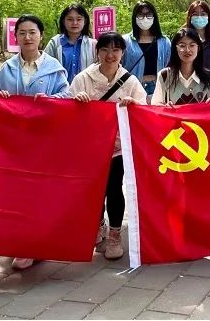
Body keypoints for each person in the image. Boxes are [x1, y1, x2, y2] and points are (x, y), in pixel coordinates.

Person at [0, 14, 69, 270]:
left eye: (32, 32)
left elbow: (66, 96)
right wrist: (0, 97)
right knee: (16, 193)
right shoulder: (6, 68)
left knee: (40, 193)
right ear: (16, 37)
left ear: (41, 35)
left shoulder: (54, 67)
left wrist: (51, 99)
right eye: (22, 33)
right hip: (14, 142)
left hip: (43, 141)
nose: (27, 37)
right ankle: (21, 242)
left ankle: (36, 243)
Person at [69, 32, 147, 261]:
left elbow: (144, 108)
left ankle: (114, 235)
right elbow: (67, 106)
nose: (110, 55)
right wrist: (77, 100)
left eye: (115, 50)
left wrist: (134, 104)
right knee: (94, 190)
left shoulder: (130, 81)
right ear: (97, 52)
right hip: (89, 147)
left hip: (118, 147)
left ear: (123, 53)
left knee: (114, 188)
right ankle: (98, 225)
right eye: (104, 49)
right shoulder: (83, 78)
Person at [152, 27, 210, 105]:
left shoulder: (209, 77)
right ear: (176, 48)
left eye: (192, 45)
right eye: (182, 46)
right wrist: (165, 108)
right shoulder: (164, 76)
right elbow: (155, 106)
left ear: (198, 48)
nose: (187, 50)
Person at [122, 1, 171, 103]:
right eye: (140, 15)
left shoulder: (164, 41)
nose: (145, 18)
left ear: (154, 17)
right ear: (135, 17)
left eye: (148, 14)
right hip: (133, 89)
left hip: (158, 88)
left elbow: (170, 66)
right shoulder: (126, 41)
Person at [43, 3, 97, 83]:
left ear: (85, 21)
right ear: (63, 21)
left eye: (79, 19)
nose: (74, 23)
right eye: (70, 19)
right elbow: (44, 67)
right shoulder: (55, 43)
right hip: (59, 89)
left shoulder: (93, 45)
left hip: (85, 89)